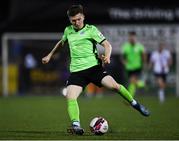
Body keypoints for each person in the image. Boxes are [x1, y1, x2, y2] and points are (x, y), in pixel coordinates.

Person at [42, 5, 150, 135]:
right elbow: (61, 43)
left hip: (94, 69)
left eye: (78, 19)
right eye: (73, 20)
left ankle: (135, 104)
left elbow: (107, 45)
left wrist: (107, 56)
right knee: (70, 96)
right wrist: (49, 55)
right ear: (70, 20)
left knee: (115, 86)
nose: (76, 23)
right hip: (77, 72)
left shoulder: (91, 30)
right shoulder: (68, 31)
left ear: (83, 17)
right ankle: (76, 125)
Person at [121, 31, 147, 98]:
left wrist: (144, 63)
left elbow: (144, 55)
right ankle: (142, 84)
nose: (132, 38)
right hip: (129, 67)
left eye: (133, 37)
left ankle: (129, 98)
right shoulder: (126, 46)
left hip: (137, 67)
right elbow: (122, 57)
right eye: (130, 37)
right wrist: (124, 62)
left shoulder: (139, 46)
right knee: (132, 83)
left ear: (135, 37)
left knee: (132, 81)